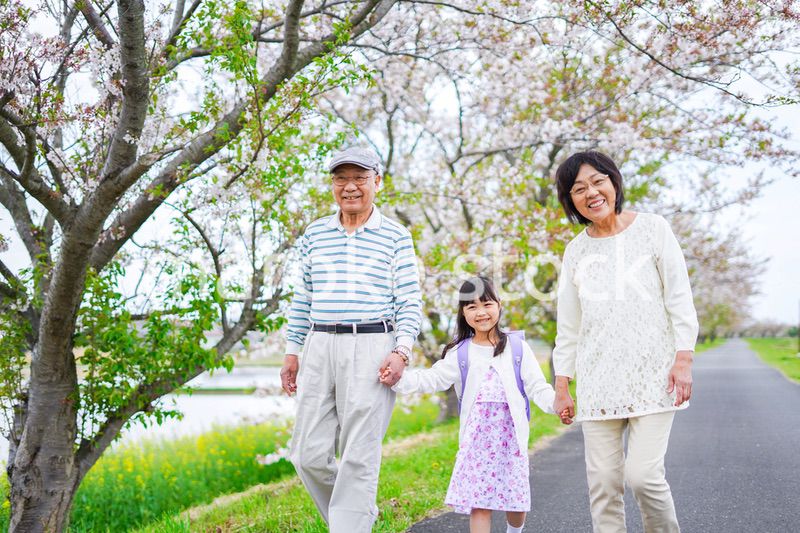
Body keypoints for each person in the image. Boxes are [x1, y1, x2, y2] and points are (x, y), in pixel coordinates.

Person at [551, 151, 699, 533]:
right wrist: (562, 384)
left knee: (644, 476)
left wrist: (683, 358)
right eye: (578, 189)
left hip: (654, 375)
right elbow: (569, 325)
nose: (591, 193)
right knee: (603, 484)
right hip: (598, 381)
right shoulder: (575, 251)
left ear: (614, 182)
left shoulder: (653, 229)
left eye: (597, 181)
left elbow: (679, 296)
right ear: (570, 200)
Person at [280, 146, 422, 532]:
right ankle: (356, 515)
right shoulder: (315, 234)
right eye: (341, 178)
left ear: (377, 181)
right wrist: (292, 351)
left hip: (372, 344)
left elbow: (409, 300)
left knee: (358, 455)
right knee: (306, 454)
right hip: (319, 345)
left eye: (360, 178)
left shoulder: (395, 236)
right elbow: (303, 297)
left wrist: (402, 351)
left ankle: (350, 524)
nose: (350, 187)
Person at [383, 276, 558, 533]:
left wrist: (556, 404)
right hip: (476, 444)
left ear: (499, 305)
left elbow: (536, 386)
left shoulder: (517, 348)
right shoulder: (461, 353)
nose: (481, 312)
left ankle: (514, 531)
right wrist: (398, 379)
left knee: (516, 503)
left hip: (511, 441)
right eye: (472, 307)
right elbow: (432, 379)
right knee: (479, 505)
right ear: (463, 313)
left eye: (487, 304)